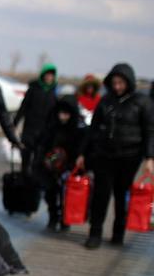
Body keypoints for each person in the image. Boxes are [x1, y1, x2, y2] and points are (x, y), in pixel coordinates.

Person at [76, 63, 154, 248]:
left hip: (130, 156)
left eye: (121, 83)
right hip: (104, 154)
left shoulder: (142, 102)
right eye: (114, 83)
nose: (117, 86)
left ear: (129, 82)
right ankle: (95, 233)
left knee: (122, 194)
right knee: (101, 195)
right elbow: (93, 129)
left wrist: (150, 157)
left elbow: (150, 131)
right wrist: (82, 153)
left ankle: (118, 234)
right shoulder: (105, 101)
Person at [34, 96, 86, 231]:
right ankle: (53, 216)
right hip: (50, 167)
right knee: (50, 193)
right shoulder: (51, 126)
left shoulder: (79, 129)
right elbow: (42, 144)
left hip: (68, 167)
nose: (63, 117)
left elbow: (81, 149)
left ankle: (64, 218)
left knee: (66, 195)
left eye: (66, 114)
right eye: (61, 113)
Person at [14, 63, 58, 173]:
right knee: (26, 157)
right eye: (47, 75)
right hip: (30, 129)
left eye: (51, 75)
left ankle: (34, 182)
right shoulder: (33, 89)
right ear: (43, 75)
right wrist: (14, 124)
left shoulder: (53, 93)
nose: (49, 78)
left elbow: (55, 115)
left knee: (38, 160)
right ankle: (24, 180)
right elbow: (23, 107)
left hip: (44, 132)